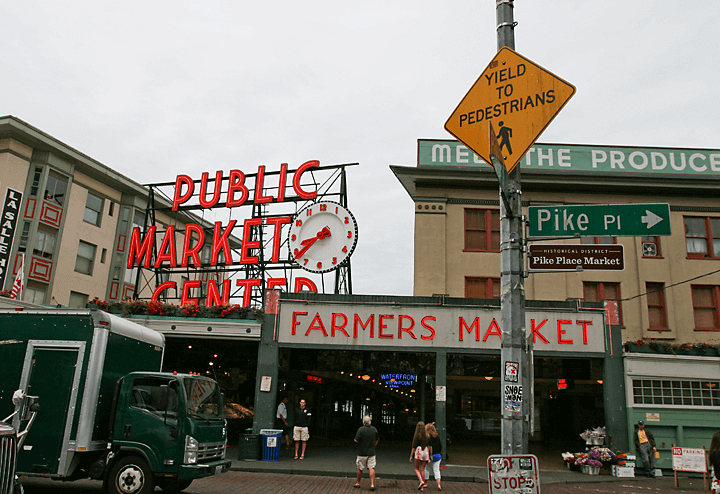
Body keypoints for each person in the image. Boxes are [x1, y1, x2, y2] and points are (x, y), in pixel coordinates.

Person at [353, 415, 379, 491]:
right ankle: (372, 484)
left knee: (360, 468)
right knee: (371, 468)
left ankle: (358, 483)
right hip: (371, 452)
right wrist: (374, 446)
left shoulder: (360, 430)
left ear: (363, 422)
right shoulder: (374, 429)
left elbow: (356, 440)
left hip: (362, 452)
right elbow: (377, 439)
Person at [410, 421, 429, 491]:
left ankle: (421, 481)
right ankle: (422, 486)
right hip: (425, 451)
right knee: (422, 469)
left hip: (419, 450)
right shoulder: (427, 435)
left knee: (416, 468)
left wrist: (411, 456)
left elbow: (414, 447)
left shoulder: (417, 435)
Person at [424, 423, 442, 491]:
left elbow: (430, 447)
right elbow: (440, 446)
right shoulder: (437, 437)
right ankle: (439, 484)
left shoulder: (428, 437)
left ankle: (425, 483)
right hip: (437, 455)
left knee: (427, 469)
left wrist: (430, 455)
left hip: (430, 456)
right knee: (436, 470)